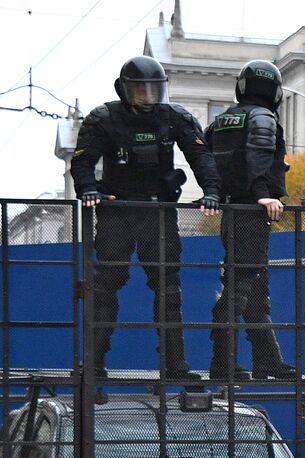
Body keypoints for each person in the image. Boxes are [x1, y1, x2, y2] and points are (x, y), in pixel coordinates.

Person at [71, 56, 220, 380]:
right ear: (126, 89)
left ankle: (175, 364)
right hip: (117, 212)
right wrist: (89, 190)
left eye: (153, 89)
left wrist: (212, 191)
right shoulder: (104, 118)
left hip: (158, 213)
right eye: (140, 89)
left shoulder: (174, 117)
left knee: (168, 288)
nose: (147, 95)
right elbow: (82, 163)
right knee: (106, 286)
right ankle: (93, 363)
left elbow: (201, 157)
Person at [204, 59, 296, 381]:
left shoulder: (222, 120)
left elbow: (206, 155)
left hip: (231, 210)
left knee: (256, 288)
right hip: (251, 212)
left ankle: (267, 361)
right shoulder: (263, 117)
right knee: (240, 287)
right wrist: (262, 194)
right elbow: (258, 154)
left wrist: (213, 192)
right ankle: (222, 363)